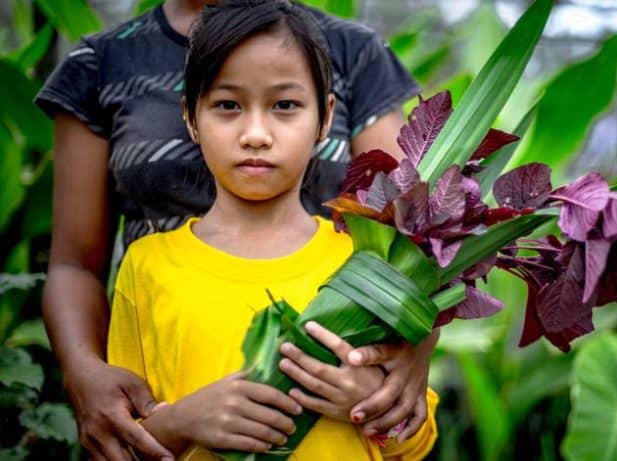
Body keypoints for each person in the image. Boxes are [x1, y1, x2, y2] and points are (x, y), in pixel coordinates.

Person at [36, 0, 437, 460]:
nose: (256, 134)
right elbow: (73, 266)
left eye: (285, 105)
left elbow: (416, 237)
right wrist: (91, 376)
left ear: (325, 117)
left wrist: (414, 344)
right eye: (227, 105)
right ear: (191, 115)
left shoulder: (359, 270)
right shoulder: (146, 270)